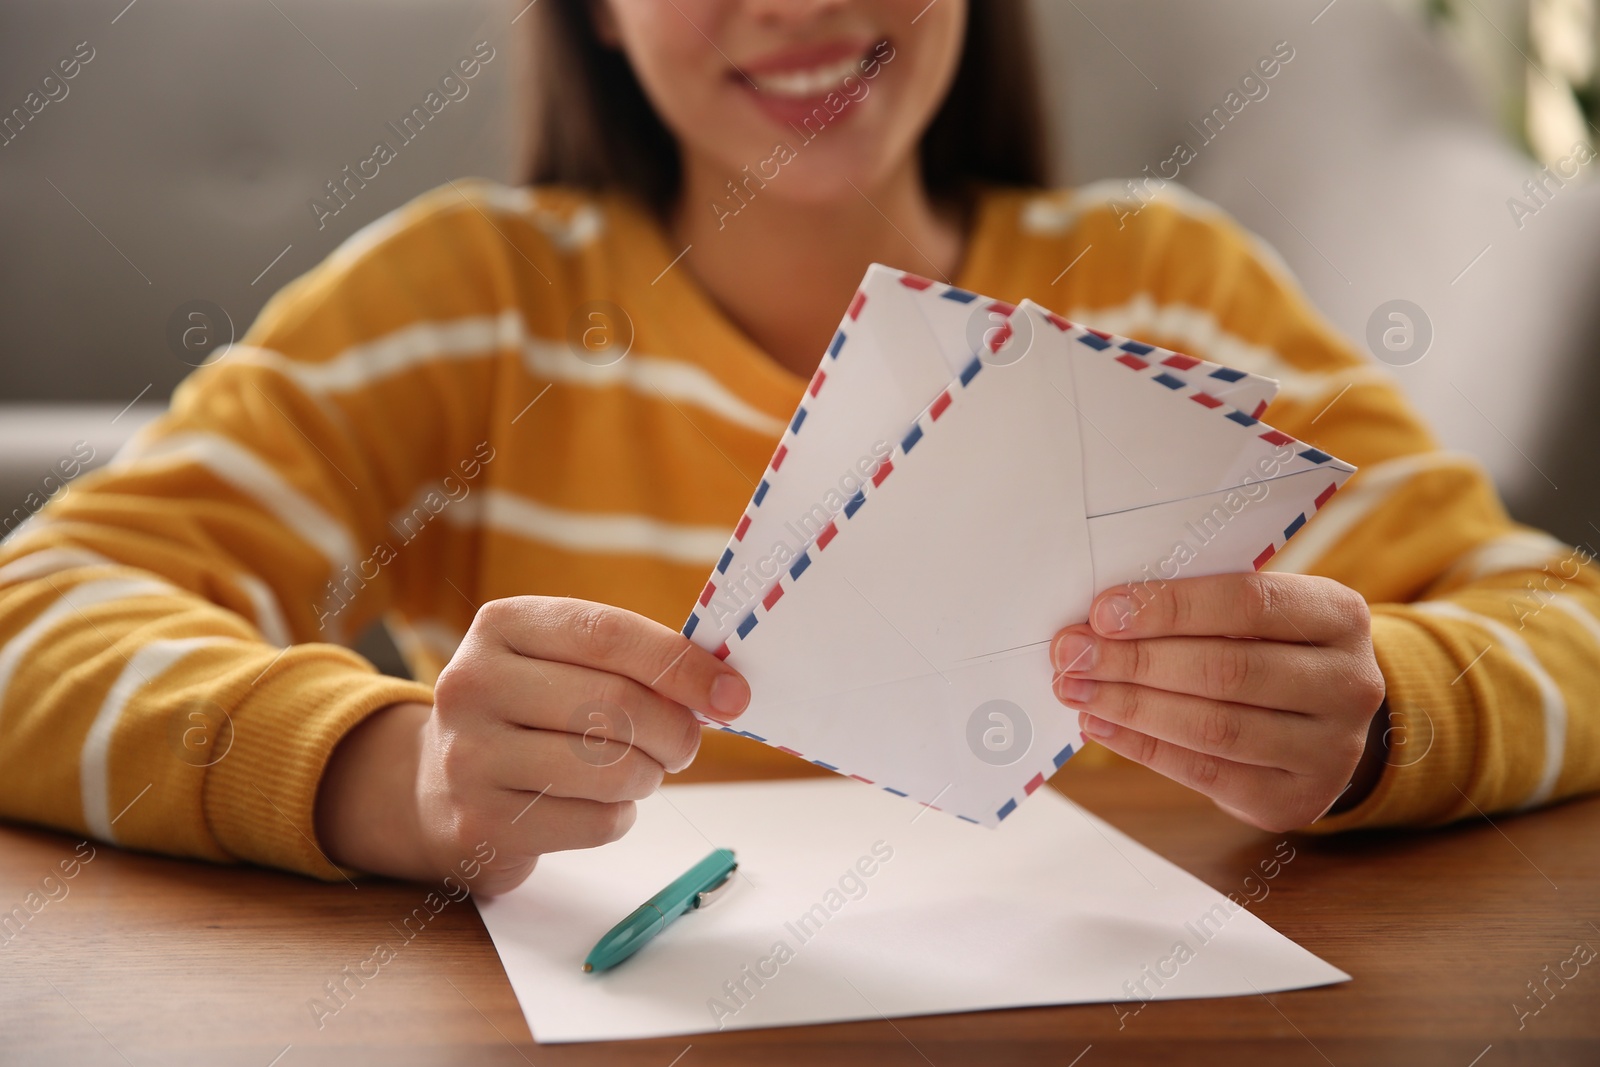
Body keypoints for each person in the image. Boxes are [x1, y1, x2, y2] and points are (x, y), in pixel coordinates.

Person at [1, 0, 1595, 896]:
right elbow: (33, 617)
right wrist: (390, 775)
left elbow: (1568, 624)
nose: (801, 2)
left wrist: (1385, 722)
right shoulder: (473, 307)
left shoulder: (1167, 288)